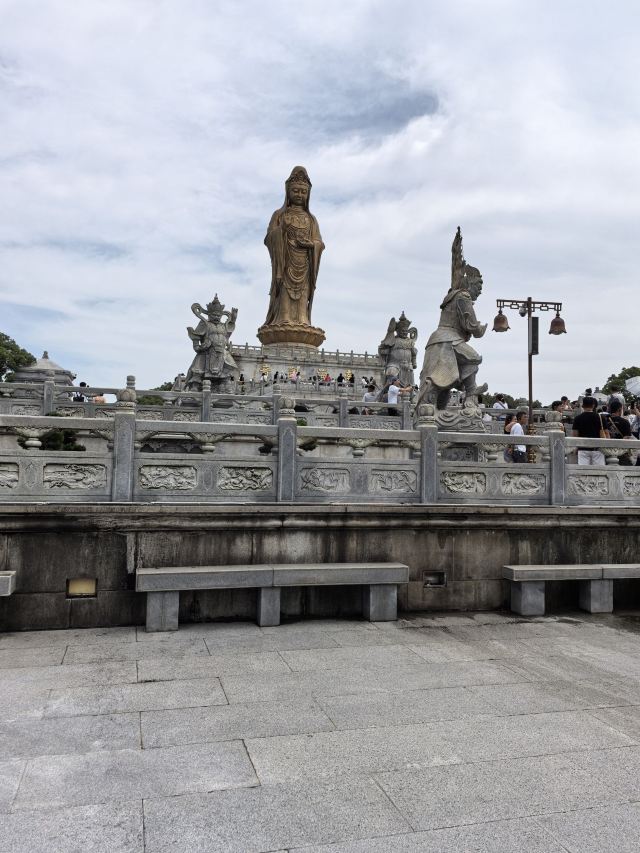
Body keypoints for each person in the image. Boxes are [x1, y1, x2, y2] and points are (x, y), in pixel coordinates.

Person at [572, 396, 608, 465]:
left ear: (582, 405)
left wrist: (575, 447)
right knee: (599, 470)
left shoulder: (577, 418)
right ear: (593, 405)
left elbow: (575, 435)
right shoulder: (600, 417)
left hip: (583, 448)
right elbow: (606, 433)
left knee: (583, 470)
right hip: (598, 448)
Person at [607, 398, 634, 465]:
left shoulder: (604, 420)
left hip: (607, 451)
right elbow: (627, 438)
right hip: (621, 452)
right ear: (619, 409)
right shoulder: (624, 422)